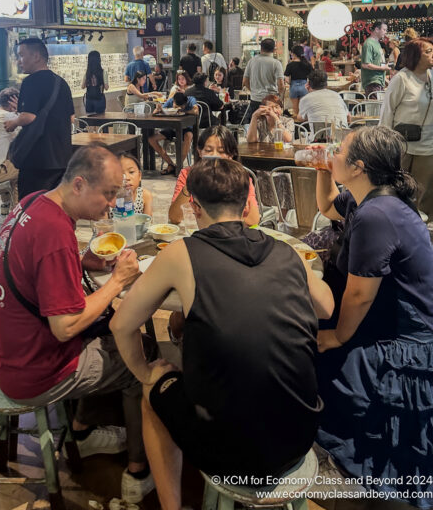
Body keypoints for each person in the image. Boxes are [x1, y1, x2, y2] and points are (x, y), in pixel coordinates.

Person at [111, 158, 331, 510]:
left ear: (194, 206)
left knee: (153, 387)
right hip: (300, 436)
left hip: (231, 454)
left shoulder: (182, 252)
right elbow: (327, 307)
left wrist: (144, 372)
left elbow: (121, 324)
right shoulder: (286, 250)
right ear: (247, 205)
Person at [0, 145, 155, 503]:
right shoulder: (54, 233)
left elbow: (36, 265)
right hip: (32, 371)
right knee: (136, 358)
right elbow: (64, 327)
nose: (112, 203)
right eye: (108, 194)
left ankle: (83, 429)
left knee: (111, 335)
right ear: (78, 184)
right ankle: (138, 470)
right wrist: (117, 281)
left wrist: (83, 260)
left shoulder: (33, 201)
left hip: (4, 350)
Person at [315, 127, 433, 506]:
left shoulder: (377, 214)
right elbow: (327, 206)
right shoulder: (372, 196)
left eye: (339, 151)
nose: (333, 153)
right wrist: (321, 169)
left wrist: (338, 337)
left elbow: (360, 294)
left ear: (359, 166)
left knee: (317, 350)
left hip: (408, 340)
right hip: (388, 318)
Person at [4, 38, 74, 197]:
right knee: (58, 204)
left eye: (21, 55)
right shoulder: (61, 82)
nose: (19, 61)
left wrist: (14, 123)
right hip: (62, 157)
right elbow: (71, 118)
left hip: (37, 159)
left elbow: (29, 117)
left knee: (32, 205)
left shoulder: (31, 82)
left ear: (36, 56)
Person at [380, 37, 433, 217]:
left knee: (424, 197)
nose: (432, 54)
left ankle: (422, 234)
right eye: (428, 51)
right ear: (415, 55)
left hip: (428, 146)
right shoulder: (402, 79)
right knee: (398, 193)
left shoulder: (431, 77)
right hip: (402, 146)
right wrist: (385, 144)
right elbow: (387, 111)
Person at [169, 125, 259, 227]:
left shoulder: (239, 177)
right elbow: (174, 218)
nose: (214, 156)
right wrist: (190, 184)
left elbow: (253, 219)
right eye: (208, 150)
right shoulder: (187, 174)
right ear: (200, 152)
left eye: (221, 151)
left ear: (231, 155)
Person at [149, 91, 198, 175]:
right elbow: (154, 113)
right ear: (174, 101)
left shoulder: (191, 99)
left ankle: (179, 165)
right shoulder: (171, 100)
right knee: (151, 139)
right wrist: (158, 109)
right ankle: (171, 164)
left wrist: (184, 111)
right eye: (177, 105)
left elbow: (196, 111)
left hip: (185, 128)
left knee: (189, 136)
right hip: (171, 128)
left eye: (182, 105)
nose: (179, 107)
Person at [242, 38, 285, 120]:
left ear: (261, 48)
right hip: (271, 101)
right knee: (270, 128)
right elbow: (281, 85)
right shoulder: (276, 63)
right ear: (274, 49)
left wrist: (253, 91)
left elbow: (245, 81)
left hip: (254, 99)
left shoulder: (252, 61)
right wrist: (280, 98)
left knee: (256, 126)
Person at [361, 20, 390, 98]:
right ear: (377, 29)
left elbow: (380, 62)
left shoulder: (377, 43)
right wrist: (382, 68)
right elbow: (365, 64)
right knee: (375, 108)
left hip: (379, 81)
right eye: (384, 30)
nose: (385, 32)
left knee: (379, 108)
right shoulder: (368, 43)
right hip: (372, 82)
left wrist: (386, 80)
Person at [284, 45, 312, 116]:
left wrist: (291, 83)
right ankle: (303, 124)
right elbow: (312, 76)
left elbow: (286, 79)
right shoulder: (307, 64)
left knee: (295, 109)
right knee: (303, 108)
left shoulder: (290, 65)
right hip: (304, 87)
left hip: (294, 87)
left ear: (294, 53)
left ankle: (296, 125)